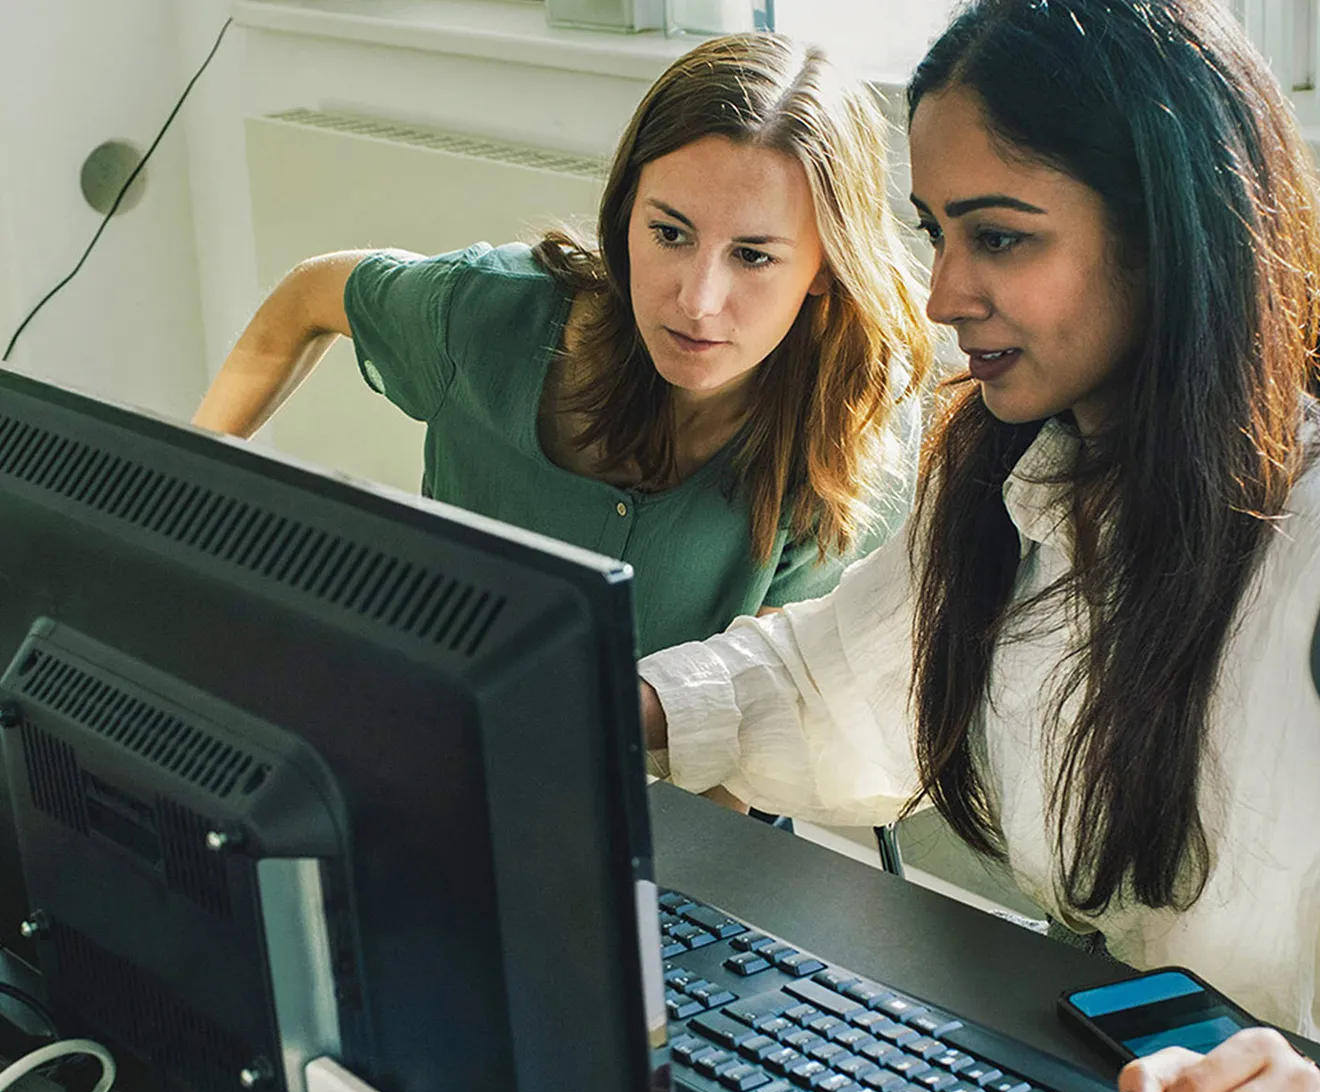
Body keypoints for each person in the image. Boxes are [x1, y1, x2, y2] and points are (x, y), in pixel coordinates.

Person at [638, 1, 1320, 1092]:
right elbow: (822, 678)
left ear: (1166, 232)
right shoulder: (1015, 463)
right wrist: (599, 703)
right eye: (935, 231)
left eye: (998, 236)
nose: (945, 292)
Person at [193, 33, 934, 659]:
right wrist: (185, 491)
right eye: (669, 234)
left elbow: (748, 729)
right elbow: (306, 297)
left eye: (753, 256)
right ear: (625, 215)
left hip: (678, 800)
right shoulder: (486, 312)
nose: (697, 300)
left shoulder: (857, 431)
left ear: (825, 269)